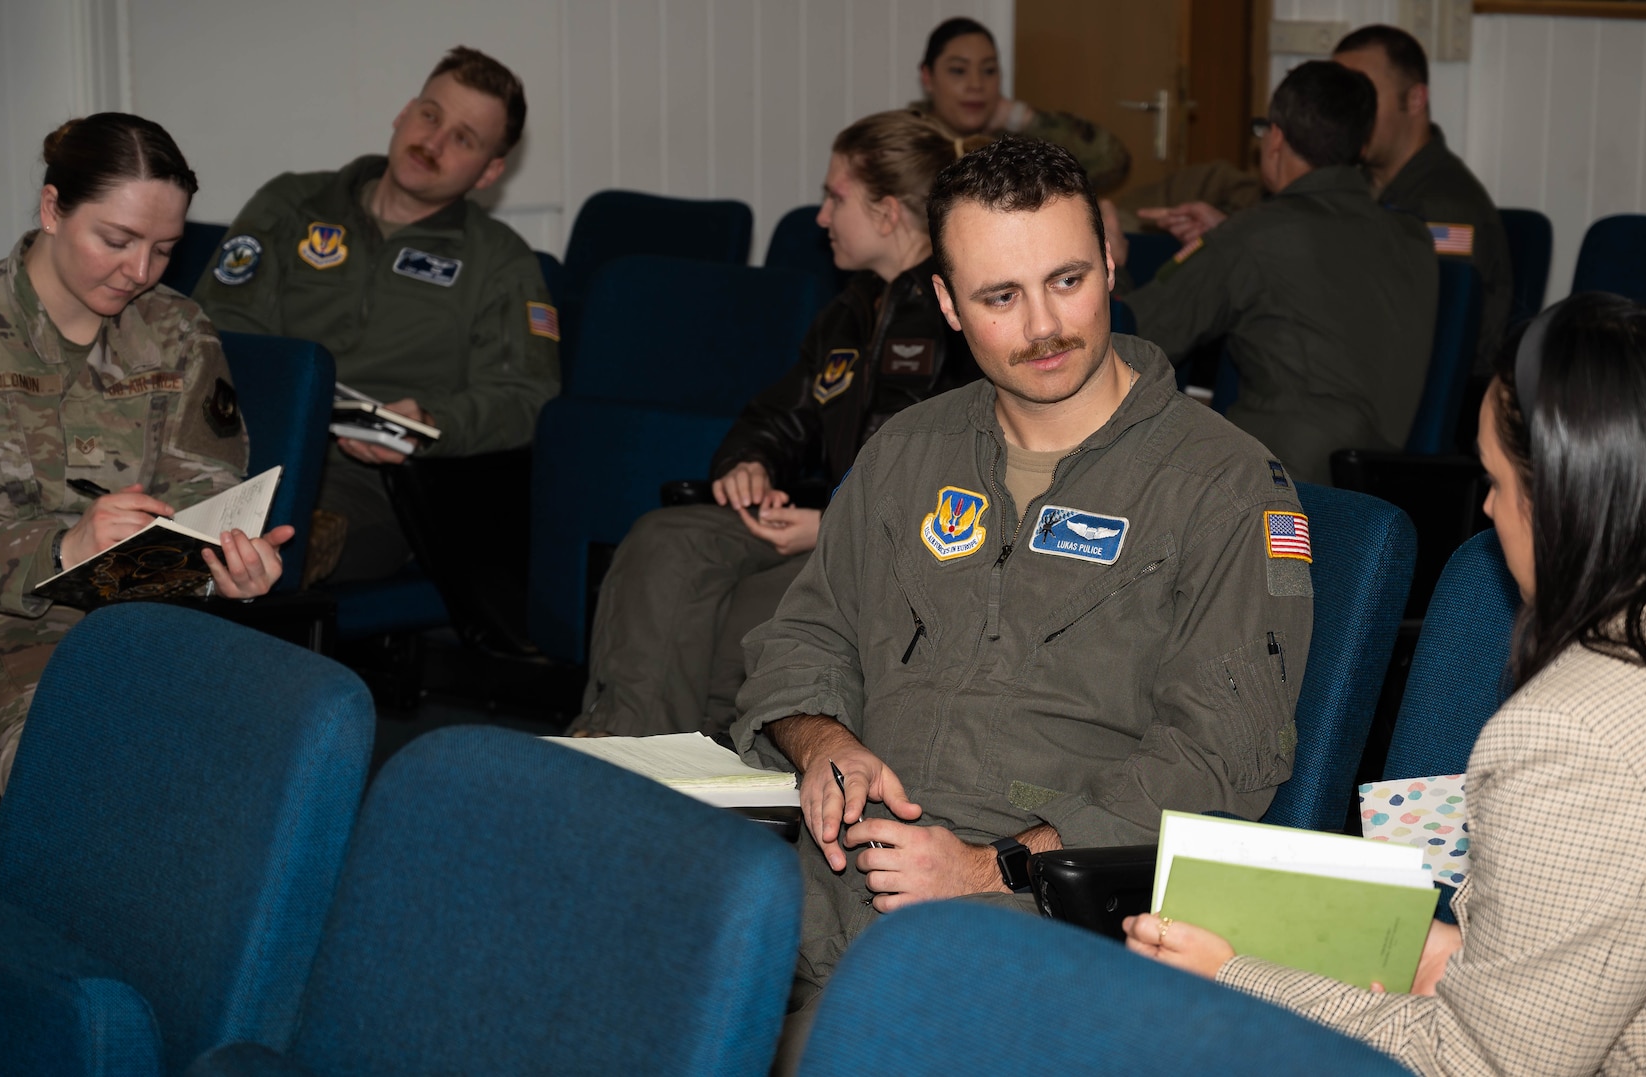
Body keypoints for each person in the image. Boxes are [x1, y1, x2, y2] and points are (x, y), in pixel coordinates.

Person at [1125, 293, 1646, 1075]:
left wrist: (1231, 975)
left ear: (1560, 502)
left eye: (1496, 480)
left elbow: (1474, 1065)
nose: (1485, 506)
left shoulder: (1575, 729)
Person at [734, 136, 1313, 1063]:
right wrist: (822, 740)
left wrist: (993, 864)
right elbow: (808, 631)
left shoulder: (1225, 484)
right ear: (948, 305)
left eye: (1069, 280)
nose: (1045, 325)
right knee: (615, 953)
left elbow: (1218, 757)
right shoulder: (908, 452)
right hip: (841, 861)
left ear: (1112, 264)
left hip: (1050, 895)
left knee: (832, 1041)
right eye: (1001, 297)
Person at [0, 114, 291, 881]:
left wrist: (224, 561)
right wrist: (60, 546)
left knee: (84, 807)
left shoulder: (175, 332)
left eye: (164, 248)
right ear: (51, 209)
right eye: (117, 238)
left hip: (84, 616)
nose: (140, 270)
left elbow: (206, 491)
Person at [571, 110, 986, 738]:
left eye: (834, 197)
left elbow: (975, 478)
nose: (820, 217)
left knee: (745, 615)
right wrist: (751, 463)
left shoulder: (966, 315)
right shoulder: (848, 314)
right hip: (821, 520)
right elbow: (779, 414)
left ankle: (688, 769)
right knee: (665, 540)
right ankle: (626, 748)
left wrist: (835, 529)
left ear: (887, 211)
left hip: (905, 548)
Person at [195, 46, 559, 585]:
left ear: (491, 170)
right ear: (404, 111)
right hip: (241, 450)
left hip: (373, 482)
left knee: (273, 553)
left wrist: (431, 423)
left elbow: (528, 399)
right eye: (430, 115)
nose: (432, 142)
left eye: (463, 138)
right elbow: (214, 331)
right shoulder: (294, 203)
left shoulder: (500, 262)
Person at [1120, 61, 1437, 485]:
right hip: (1385, 487)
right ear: (1361, 147)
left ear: (1277, 139)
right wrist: (1232, 236)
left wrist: (1113, 266)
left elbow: (1134, 337)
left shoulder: (1254, 238)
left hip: (1272, 486)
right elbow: (1325, 269)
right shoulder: (1414, 237)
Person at [1333, 24, 1511, 367]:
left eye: (1362, 96)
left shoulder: (1447, 209)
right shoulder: (1351, 185)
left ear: (1415, 99)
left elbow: (1428, 341)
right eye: (1338, 98)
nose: (1346, 114)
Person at [913, 17, 1132, 194]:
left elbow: (1113, 163)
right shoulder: (904, 140)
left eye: (989, 70)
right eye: (958, 71)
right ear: (927, 77)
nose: (976, 85)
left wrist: (1022, 118)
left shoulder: (1011, 145)